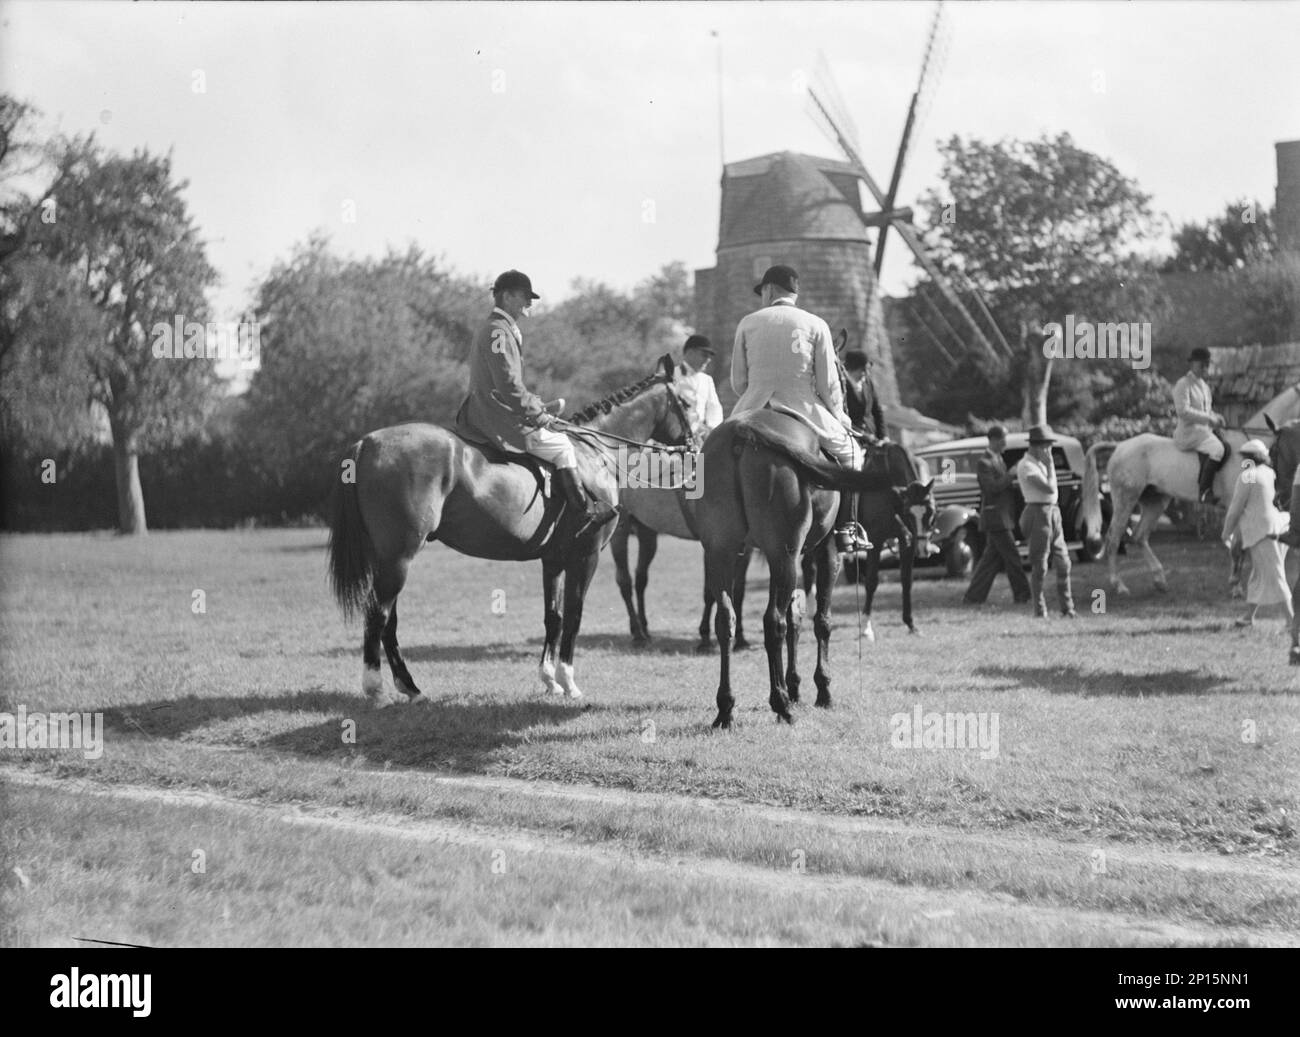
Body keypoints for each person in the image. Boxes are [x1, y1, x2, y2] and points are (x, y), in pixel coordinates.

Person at [455, 269, 615, 535]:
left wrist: (538, 405)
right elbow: (507, 385)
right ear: (506, 297)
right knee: (564, 446)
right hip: (495, 414)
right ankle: (584, 515)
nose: (530, 303)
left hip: (491, 408)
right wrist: (539, 416)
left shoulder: (500, 328)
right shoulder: (498, 330)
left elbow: (510, 385)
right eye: (525, 297)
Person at [731, 264, 872, 553]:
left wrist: (754, 396)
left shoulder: (747, 322)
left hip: (754, 406)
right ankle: (847, 529)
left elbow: (739, 381)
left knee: (710, 456)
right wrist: (840, 416)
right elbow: (828, 385)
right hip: (805, 407)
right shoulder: (816, 324)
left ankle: (725, 524)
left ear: (769, 289)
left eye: (763, 292)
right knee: (854, 455)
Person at [1223, 440, 1293, 627]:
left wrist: (1226, 533)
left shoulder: (1248, 476)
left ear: (1248, 458)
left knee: (1276, 577)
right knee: (1258, 575)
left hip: (1263, 532)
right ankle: (1248, 618)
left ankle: (1292, 622)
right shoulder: (1269, 473)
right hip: (1277, 527)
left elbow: (1235, 509)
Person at [963, 425, 1032, 605]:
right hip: (995, 518)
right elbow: (991, 489)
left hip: (1003, 517)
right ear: (993, 440)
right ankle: (1023, 594)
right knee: (1012, 558)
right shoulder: (984, 463)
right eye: (1003, 440)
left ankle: (973, 597)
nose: (1005, 443)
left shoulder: (998, 459)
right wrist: (1010, 475)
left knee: (990, 562)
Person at [1015, 424, 1076, 619]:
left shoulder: (1040, 464)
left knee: (1064, 562)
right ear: (1036, 446)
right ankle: (1039, 609)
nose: (1049, 450)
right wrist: (1050, 466)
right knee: (1040, 564)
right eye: (1046, 446)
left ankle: (1067, 608)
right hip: (1037, 511)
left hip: (1052, 511)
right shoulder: (1027, 466)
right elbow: (1049, 488)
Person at [1173, 346, 1227, 503]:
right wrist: (1209, 420)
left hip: (1203, 432)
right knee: (1218, 449)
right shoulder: (1183, 384)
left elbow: (1207, 411)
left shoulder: (1204, 386)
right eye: (1201, 364)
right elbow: (1183, 411)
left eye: (1207, 364)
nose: (1204, 368)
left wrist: (1217, 418)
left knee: (1227, 442)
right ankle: (1204, 491)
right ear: (1192, 364)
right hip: (1189, 433)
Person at [675, 334, 724, 442]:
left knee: (699, 459)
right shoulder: (672, 375)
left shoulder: (707, 380)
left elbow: (714, 408)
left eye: (709, 357)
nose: (708, 360)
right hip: (674, 436)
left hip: (698, 438)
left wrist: (711, 429)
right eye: (704, 355)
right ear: (690, 353)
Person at [842, 349, 887, 444]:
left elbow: (877, 411)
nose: (866, 374)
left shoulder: (868, 382)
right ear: (851, 369)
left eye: (868, 369)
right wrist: (862, 435)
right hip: (851, 439)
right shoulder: (840, 385)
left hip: (873, 436)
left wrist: (883, 436)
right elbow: (841, 417)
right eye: (862, 370)